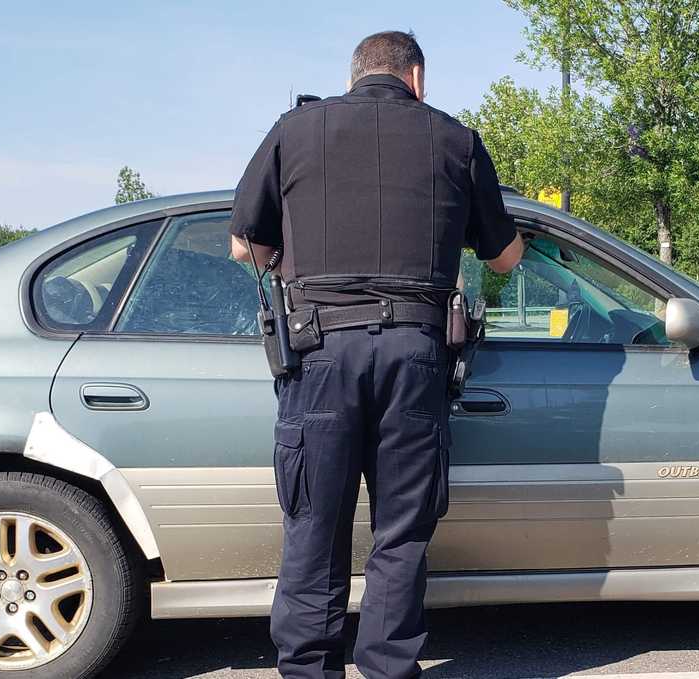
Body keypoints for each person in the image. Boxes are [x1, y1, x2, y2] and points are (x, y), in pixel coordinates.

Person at [229, 30, 523, 679]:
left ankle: (308, 669)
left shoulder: (295, 129)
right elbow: (504, 256)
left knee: (314, 524)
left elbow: (243, 246)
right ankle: (388, 668)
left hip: (317, 352)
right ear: (416, 79)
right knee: (400, 531)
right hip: (415, 355)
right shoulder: (456, 140)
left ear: (354, 74)